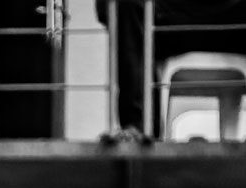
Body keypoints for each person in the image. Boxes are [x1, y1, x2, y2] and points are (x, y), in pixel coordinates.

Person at [95, 2, 246, 136]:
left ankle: (139, 130)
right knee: (125, 4)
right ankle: (139, 131)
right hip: (170, 19)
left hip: (231, 16)